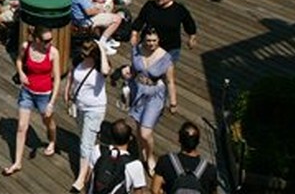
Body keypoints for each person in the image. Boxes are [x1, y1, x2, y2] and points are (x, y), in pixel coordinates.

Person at [2, 25, 61, 176]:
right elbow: (19, 60)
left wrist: (51, 103)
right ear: (36, 39)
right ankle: (17, 162)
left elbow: (58, 79)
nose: (50, 43)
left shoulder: (53, 53)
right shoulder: (26, 47)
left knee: (48, 122)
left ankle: (53, 141)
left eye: (51, 40)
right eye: (46, 40)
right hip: (27, 92)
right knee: (22, 127)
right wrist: (21, 73)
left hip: (44, 95)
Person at [125, 27, 177, 175]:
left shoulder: (166, 58)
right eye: (148, 40)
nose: (151, 44)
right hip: (137, 90)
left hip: (155, 95)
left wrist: (173, 102)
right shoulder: (136, 50)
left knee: (146, 132)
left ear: (159, 40)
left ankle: (150, 156)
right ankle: (142, 152)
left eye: (154, 41)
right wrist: (127, 72)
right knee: (138, 124)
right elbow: (134, 69)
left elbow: (171, 81)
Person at [66, 37, 112, 193]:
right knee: (84, 137)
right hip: (79, 105)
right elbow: (73, 75)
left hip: (95, 108)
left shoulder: (100, 66)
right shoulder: (78, 59)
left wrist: (102, 49)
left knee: (85, 143)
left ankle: (81, 178)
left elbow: (106, 71)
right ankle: (93, 159)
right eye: (83, 51)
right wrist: (68, 91)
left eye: (88, 52)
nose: (84, 55)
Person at [130, 0, 197, 64]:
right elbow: (140, 20)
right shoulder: (149, 5)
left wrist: (192, 38)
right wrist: (134, 34)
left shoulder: (179, 10)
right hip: (149, 44)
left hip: (169, 47)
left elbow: (189, 23)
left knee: (165, 70)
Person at [151, 121, 218, 194]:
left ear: (179, 139)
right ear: (198, 142)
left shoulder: (166, 161)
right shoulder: (209, 169)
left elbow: (155, 190)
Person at [88, 119, 148, 193]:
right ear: (130, 138)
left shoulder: (98, 150)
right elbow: (138, 191)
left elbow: (88, 177)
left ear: (111, 135)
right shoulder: (134, 164)